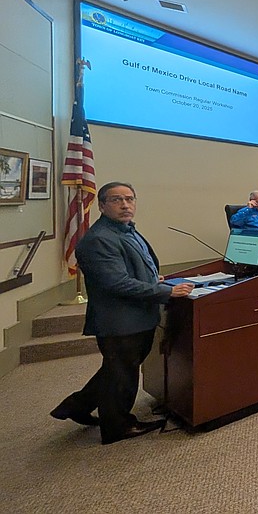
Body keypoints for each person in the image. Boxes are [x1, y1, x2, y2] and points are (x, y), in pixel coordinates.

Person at [51, 182, 194, 444]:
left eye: (129, 199)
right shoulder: (99, 239)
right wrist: (165, 292)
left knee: (117, 369)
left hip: (137, 316)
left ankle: (76, 405)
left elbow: (132, 267)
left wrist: (152, 278)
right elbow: (116, 283)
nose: (125, 205)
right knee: (122, 374)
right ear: (102, 205)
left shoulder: (125, 230)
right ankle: (118, 426)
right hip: (120, 320)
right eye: (116, 200)